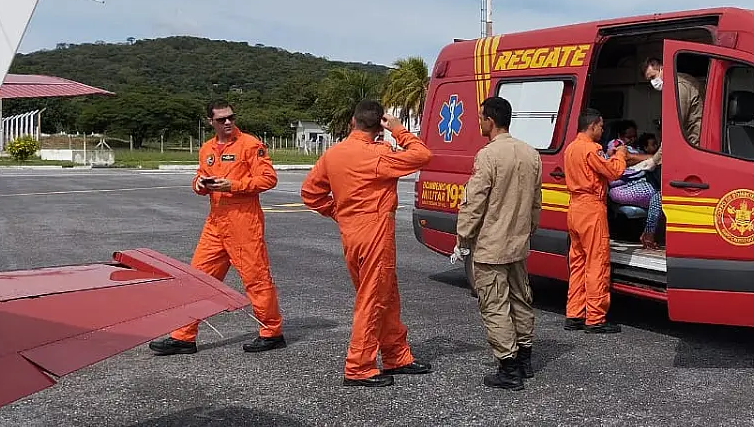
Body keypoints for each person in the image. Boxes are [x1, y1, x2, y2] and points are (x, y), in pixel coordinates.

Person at [300, 100, 433, 387]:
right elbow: (422, 155)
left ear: (353, 121)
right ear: (379, 124)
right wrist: (399, 130)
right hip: (375, 234)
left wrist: (337, 211)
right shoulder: (379, 156)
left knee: (386, 296)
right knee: (373, 300)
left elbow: (310, 193)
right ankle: (359, 366)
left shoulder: (333, 154)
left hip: (351, 233)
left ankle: (397, 354)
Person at [149, 99, 286, 356]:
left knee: (257, 280)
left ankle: (271, 332)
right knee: (196, 279)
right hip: (215, 225)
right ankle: (183, 336)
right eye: (221, 119)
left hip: (244, 223)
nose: (228, 123)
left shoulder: (250, 144)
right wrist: (199, 184)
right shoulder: (207, 149)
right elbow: (200, 176)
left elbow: (268, 179)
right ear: (209, 121)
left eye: (231, 118)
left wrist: (232, 185)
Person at [454, 96, 543, 391]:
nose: (479, 122)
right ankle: (526, 358)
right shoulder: (531, 153)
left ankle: (509, 367)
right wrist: (527, 231)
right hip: (518, 243)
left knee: (494, 304)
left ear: (490, 121)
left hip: (491, 244)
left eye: (481, 118)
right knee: (521, 298)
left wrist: (463, 238)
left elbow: (474, 202)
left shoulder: (488, 156)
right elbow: (535, 203)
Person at [563, 108, 628, 333]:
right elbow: (614, 171)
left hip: (574, 208)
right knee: (596, 263)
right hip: (592, 209)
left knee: (578, 262)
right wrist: (620, 154)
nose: (602, 130)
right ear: (592, 126)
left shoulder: (571, 148)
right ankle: (595, 318)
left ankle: (574, 313)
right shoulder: (592, 149)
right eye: (601, 126)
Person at [642, 57, 702, 166]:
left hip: (695, 145)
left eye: (653, 77)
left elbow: (675, 129)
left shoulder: (679, 85)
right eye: (649, 80)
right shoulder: (681, 80)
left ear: (660, 67)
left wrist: (654, 160)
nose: (653, 82)